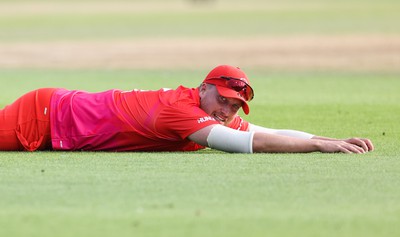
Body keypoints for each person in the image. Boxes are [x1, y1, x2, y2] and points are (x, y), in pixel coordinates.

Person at [0, 65, 374, 153]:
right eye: (222, 99)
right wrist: (318, 147)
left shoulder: (204, 110)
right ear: (203, 89)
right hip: (44, 116)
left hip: (60, 111)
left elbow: (260, 131)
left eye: (235, 105)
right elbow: (246, 145)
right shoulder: (181, 111)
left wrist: (330, 140)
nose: (227, 110)